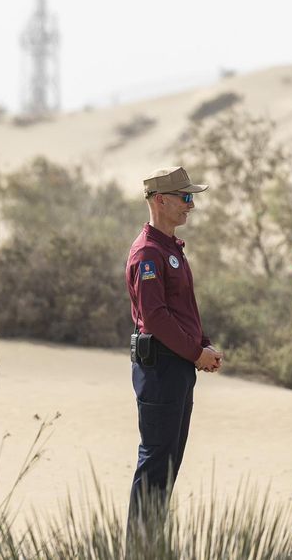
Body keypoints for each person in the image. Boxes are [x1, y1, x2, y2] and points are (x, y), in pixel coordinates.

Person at [125, 166, 223, 527]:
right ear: (160, 200)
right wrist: (196, 352)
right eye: (185, 198)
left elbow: (183, 309)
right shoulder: (148, 253)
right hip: (160, 367)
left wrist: (203, 345)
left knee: (168, 462)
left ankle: (152, 544)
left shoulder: (172, 249)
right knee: (155, 461)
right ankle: (138, 548)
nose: (191, 206)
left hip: (178, 365)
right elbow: (156, 317)